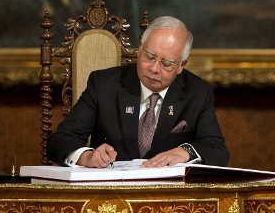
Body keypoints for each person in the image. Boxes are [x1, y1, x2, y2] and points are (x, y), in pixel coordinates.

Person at [47, 16, 230, 168]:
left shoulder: (197, 92)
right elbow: (60, 140)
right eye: (149, 56)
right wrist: (87, 157)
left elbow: (217, 150)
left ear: (182, 65)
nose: (154, 68)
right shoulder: (104, 85)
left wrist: (185, 152)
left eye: (166, 63)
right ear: (140, 48)